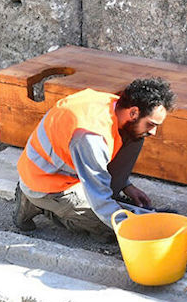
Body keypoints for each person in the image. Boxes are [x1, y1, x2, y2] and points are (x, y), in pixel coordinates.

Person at [13, 77, 176, 238]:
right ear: (133, 112)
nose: (153, 132)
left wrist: (126, 185)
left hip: (66, 169)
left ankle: (125, 208)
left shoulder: (114, 104)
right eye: (151, 124)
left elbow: (99, 160)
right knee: (110, 230)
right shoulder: (90, 137)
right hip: (46, 184)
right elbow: (100, 200)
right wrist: (138, 227)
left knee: (136, 136)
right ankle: (35, 204)